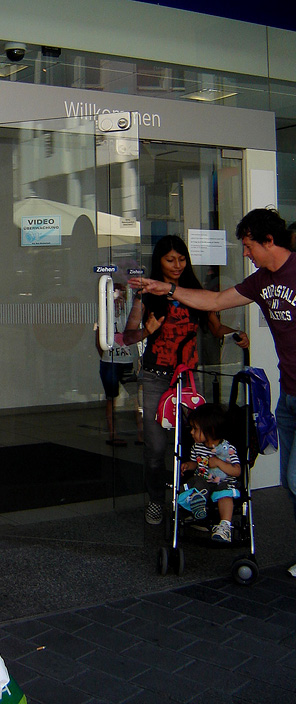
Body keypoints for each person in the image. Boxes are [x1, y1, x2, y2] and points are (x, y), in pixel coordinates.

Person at [129, 208, 296, 571]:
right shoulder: (262, 281)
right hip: (286, 392)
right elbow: (217, 301)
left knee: (294, 476)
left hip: (195, 379)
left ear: (268, 240)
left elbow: (214, 315)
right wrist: (164, 290)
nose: (246, 254)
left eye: (249, 246)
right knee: (287, 479)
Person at [123, 235, 248, 525]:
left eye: (182, 259)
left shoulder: (195, 292)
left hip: (189, 381)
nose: (177, 265)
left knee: (195, 444)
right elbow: (128, 336)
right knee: (155, 447)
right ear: (159, 262)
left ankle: (194, 497)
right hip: (155, 378)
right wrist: (147, 331)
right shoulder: (148, 295)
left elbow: (215, 329)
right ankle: (155, 500)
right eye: (170, 260)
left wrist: (234, 335)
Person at [178, 403, 241, 542]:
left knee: (224, 492)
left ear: (210, 430)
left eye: (195, 429)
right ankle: (198, 505)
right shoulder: (197, 447)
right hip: (204, 483)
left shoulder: (226, 448)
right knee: (197, 482)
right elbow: (197, 463)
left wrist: (219, 462)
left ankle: (224, 526)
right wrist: (188, 465)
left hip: (222, 482)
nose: (191, 432)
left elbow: (237, 471)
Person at [96, 282, 144, 447]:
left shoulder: (130, 316)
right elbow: (99, 342)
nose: (119, 301)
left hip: (126, 361)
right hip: (111, 362)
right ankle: (113, 434)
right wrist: (107, 356)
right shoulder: (105, 316)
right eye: (116, 297)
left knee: (134, 398)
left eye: (121, 297)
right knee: (112, 398)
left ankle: (140, 435)